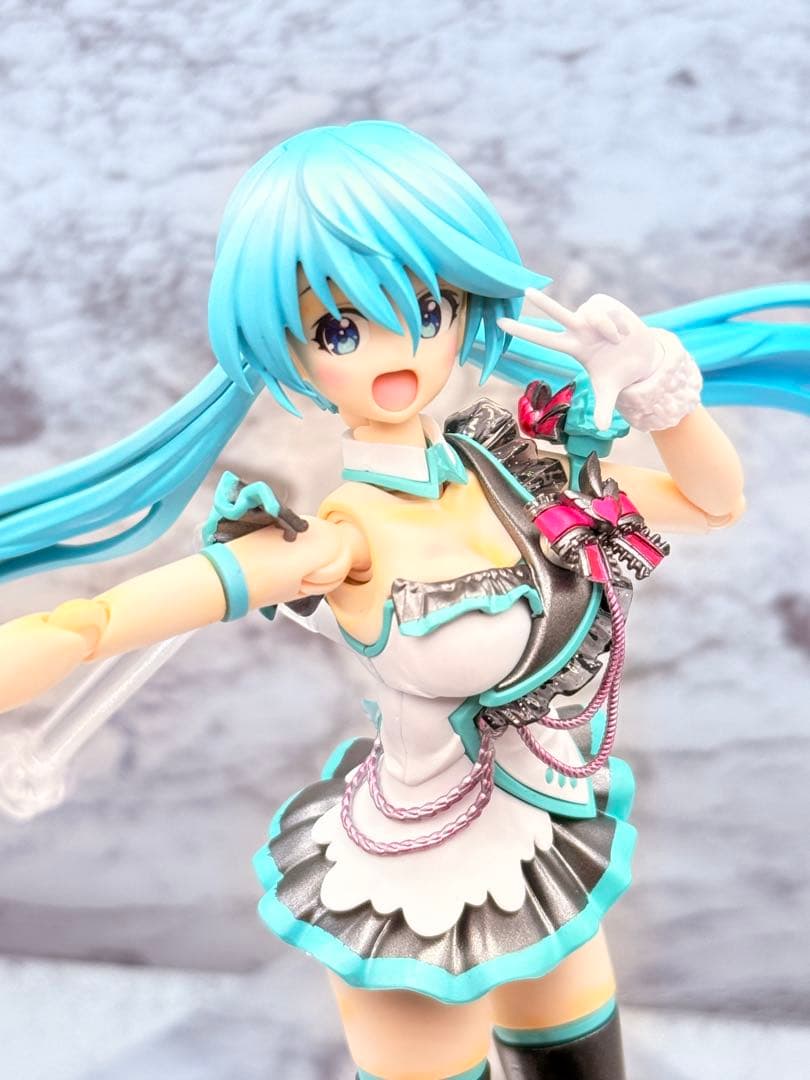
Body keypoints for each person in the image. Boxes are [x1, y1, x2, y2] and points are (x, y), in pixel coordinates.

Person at [0, 121, 808, 1080]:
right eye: (339, 328)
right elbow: (98, 622)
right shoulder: (338, 542)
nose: (395, 350)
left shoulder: (516, 470)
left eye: (425, 307)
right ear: (289, 348)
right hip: (418, 884)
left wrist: (660, 390)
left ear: (464, 306)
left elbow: (713, 503)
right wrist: (50, 652)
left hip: (541, 828)